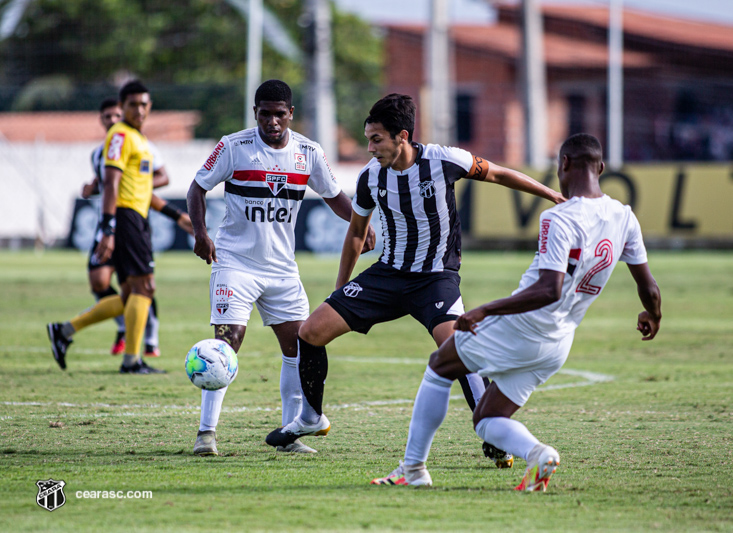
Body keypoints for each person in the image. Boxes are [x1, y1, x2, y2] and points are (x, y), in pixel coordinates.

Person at [265, 93, 565, 466]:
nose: (370, 147)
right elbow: (357, 234)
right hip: (389, 274)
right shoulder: (370, 177)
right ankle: (311, 418)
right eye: (368, 139)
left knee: (458, 349)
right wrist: (340, 289)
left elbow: (499, 174)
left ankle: (493, 434)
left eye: (377, 139)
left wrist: (550, 192)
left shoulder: (445, 160)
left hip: (435, 278)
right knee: (309, 332)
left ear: (402, 136)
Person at [369, 133, 662, 490]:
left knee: (438, 367)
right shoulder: (625, 216)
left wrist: (484, 310)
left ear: (564, 165)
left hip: (523, 326)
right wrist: (652, 314)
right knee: (487, 418)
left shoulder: (559, 218)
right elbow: (649, 287)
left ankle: (412, 469)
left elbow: (547, 289)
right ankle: (540, 454)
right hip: (558, 343)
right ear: (600, 168)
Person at [186, 79, 375, 456]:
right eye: (265, 113)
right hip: (234, 264)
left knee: (299, 347)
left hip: (282, 271)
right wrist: (201, 234)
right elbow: (196, 188)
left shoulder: (308, 152)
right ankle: (206, 434)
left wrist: (359, 224)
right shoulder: (233, 146)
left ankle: (289, 436)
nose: (272, 121)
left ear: (290, 114)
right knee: (226, 344)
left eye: (279, 114)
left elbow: (335, 196)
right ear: (255, 112)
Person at [47, 80, 181, 374]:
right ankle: (132, 360)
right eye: (133, 104)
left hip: (135, 217)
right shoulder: (120, 136)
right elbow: (111, 183)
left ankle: (65, 331)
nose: (140, 110)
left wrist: (177, 216)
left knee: (130, 293)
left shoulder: (140, 140)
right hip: (126, 217)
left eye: (144, 104)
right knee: (145, 286)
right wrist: (108, 229)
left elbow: (145, 188)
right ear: (122, 108)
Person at [81, 97, 187, 358]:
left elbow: (160, 177)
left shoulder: (143, 145)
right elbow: (106, 183)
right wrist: (92, 188)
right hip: (109, 221)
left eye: (116, 115)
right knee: (103, 281)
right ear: (101, 120)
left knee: (140, 284)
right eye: (107, 117)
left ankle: (149, 341)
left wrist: (141, 183)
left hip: (131, 219)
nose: (112, 120)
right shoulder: (99, 152)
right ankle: (120, 332)